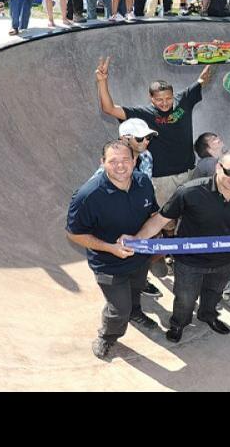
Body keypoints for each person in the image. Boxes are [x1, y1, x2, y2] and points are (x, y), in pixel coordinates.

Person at [128, 148, 230, 343]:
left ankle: (208, 315)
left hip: (224, 261)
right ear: (218, 167)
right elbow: (160, 220)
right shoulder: (190, 191)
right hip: (189, 262)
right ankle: (178, 323)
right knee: (185, 299)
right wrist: (137, 241)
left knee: (214, 294)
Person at [67, 140, 160, 361]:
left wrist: (148, 238)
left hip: (139, 259)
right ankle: (108, 336)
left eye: (125, 160)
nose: (120, 166)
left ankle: (135, 313)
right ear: (102, 163)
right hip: (108, 264)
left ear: (135, 160)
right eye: (113, 161)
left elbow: (153, 215)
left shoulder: (143, 182)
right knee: (118, 310)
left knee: (135, 293)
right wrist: (111, 248)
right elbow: (74, 234)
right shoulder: (88, 195)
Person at [95, 57, 213, 208]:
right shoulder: (143, 113)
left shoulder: (184, 100)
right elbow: (109, 108)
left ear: (173, 95)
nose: (164, 103)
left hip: (188, 173)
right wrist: (102, 81)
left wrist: (213, 57)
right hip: (162, 178)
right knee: (166, 219)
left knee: (191, 213)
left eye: (168, 98)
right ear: (150, 98)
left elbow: (203, 79)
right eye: (159, 100)